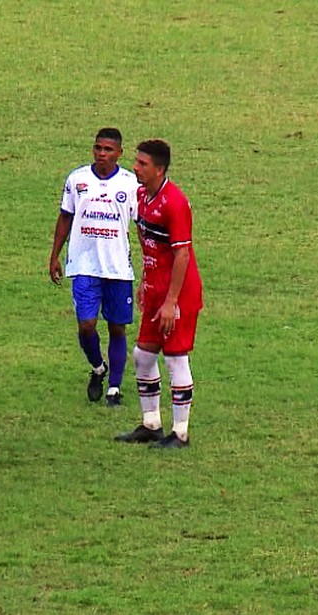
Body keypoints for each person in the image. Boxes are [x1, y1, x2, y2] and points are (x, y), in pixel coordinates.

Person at [115, 139, 203, 449]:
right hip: (156, 290)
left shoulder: (175, 203)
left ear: (159, 169)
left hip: (177, 295)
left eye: (142, 164)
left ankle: (180, 433)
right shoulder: (142, 195)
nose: (135, 168)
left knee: (176, 359)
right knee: (143, 355)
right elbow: (150, 243)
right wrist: (145, 282)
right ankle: (151, 424)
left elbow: (182, 255)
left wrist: (170, 301)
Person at [49, 128, 139, 406]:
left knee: (117, 327)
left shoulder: (131, 184)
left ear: (119, 153)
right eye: (98, 148)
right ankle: (99, 368)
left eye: (108, 149)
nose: (102, 153)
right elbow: (65, 216)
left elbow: (142, 226)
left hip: (117, 268)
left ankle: (114, 387)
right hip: (84, 265)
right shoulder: (77, 179)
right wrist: (54, 255)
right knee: (86, 325)